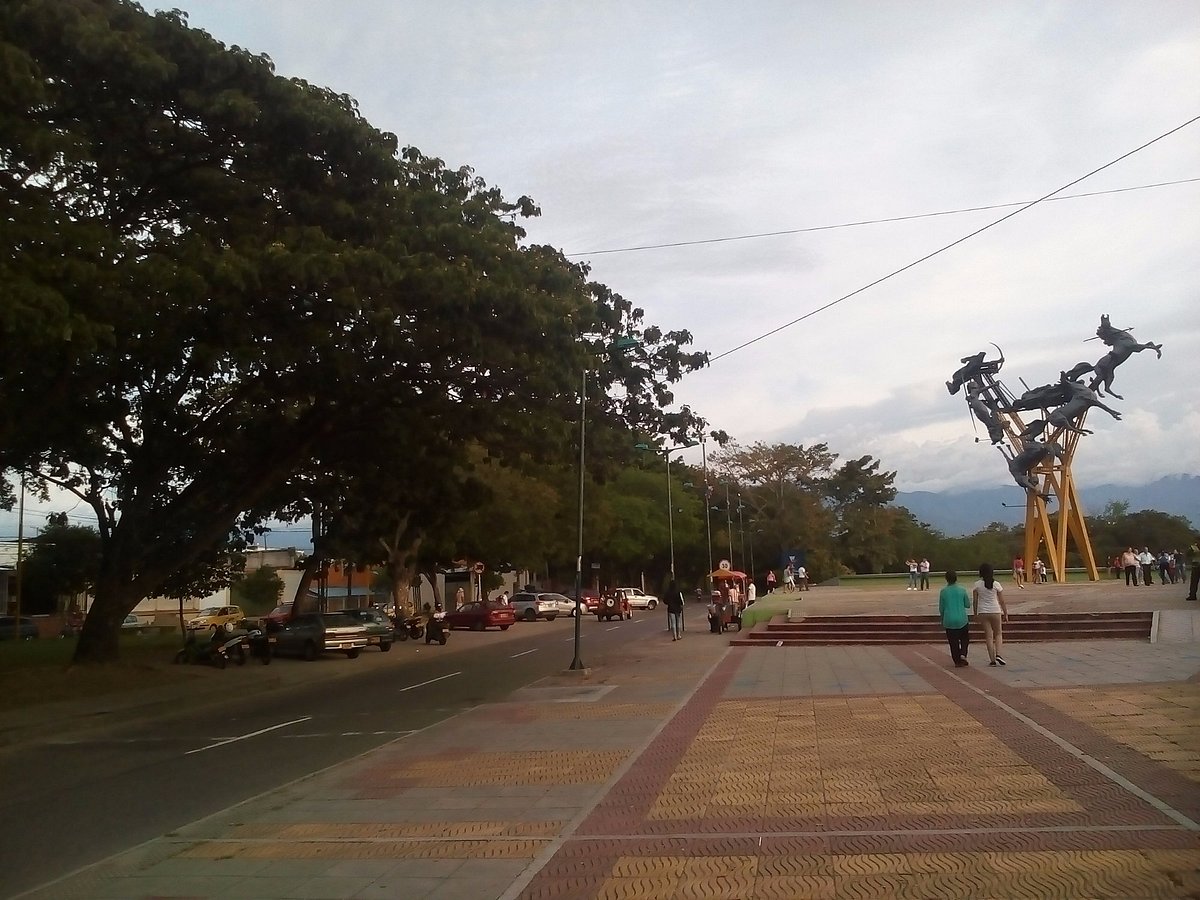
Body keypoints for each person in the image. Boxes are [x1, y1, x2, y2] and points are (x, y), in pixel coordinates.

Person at [973, 562, 1009, 666]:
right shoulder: (996, 584)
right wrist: (1005, 613)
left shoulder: (977, 585)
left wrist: (975, 613)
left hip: (983, 612)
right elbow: (1002, 601)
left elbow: (975, 601)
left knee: (989, 636)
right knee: (998, 633)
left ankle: (992, 660)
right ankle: (999, 654)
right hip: (995, 610)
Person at [938, 570, 972, 667]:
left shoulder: (943, 591)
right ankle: (963, 653)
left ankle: (957, 661)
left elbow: (941, 608)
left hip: (949, 620)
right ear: (956, 578)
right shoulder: (962, 590)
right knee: (965, 638)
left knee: (953, 642)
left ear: (946, 579)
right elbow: (967, 604)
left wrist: (942, 619)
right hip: (962, 618)